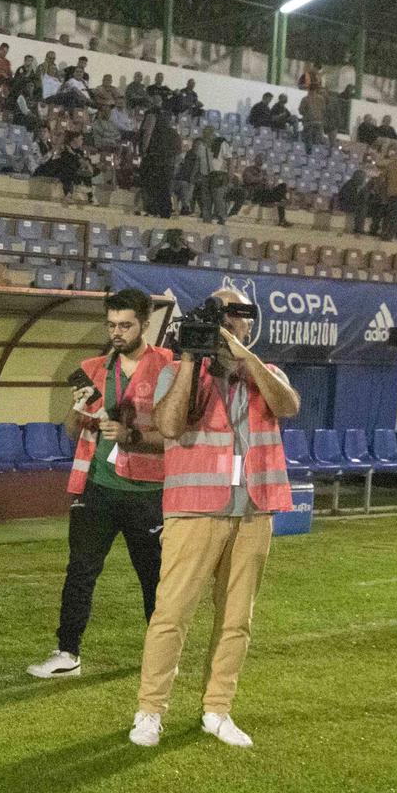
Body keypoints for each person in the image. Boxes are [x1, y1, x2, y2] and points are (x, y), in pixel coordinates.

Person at [132, 289, 299, 749]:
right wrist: (189, 359)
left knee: (236, 619)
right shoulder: (176, 369)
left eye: (240, 315)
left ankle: (218, 710)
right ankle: (150, 710)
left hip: (252, 509)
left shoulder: (265, 374)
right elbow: (168, 426)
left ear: (250, 324)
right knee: (171, 615)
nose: (230, 323)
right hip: (195, 509)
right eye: (222, 315)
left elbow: (287, 406)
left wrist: (246, 358)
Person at [30, 289, 172, 680]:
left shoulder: (168, 367)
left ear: (145, 324)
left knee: (154, 578)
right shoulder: (92, 368)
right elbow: (72, 431)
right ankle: (67, 653)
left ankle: (162, 659)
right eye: (111, 325)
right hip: (96, 487)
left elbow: (179, 433)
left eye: (125, 325)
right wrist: (77, 409)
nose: (117, 332)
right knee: (80, 571)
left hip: (147, 492)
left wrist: (132, 437)